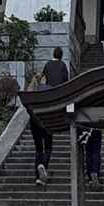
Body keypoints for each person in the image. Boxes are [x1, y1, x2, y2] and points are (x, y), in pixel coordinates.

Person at [30, 46, 69, 185]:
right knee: (48, 146)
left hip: (37, 115)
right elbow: (66, 83)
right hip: (52, 107)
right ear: (62, 55)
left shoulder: (46, 66)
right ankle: (44, 166)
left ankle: (38, 174)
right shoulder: (63, 66)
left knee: (38, 148)